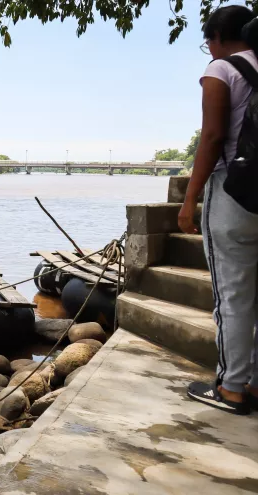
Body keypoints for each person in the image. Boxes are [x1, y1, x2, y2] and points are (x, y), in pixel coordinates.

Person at [183, 6, 258, 415]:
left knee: (232, 294)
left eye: (207, 42)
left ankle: (230, 388)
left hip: (234, 194)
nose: (208, 50)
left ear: (217, 37)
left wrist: (190, 198)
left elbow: (212, 137)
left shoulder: (221, 71)